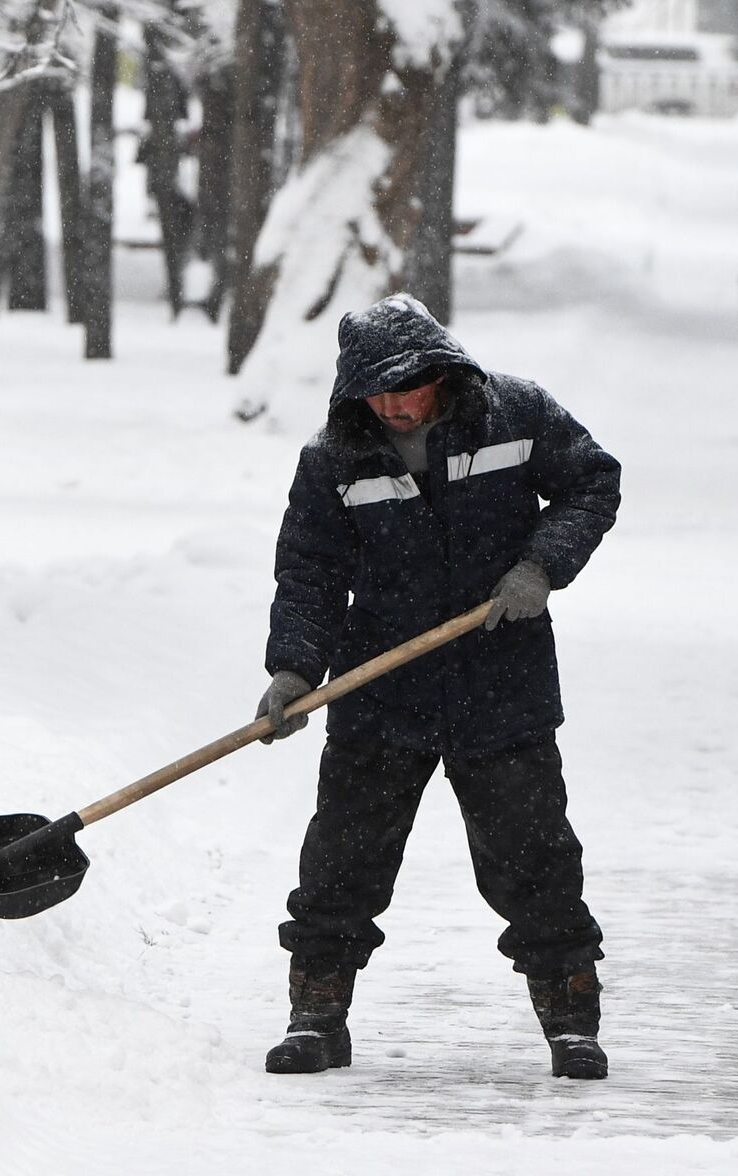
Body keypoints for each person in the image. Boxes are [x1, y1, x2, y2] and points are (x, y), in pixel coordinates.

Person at [254, 294, 621, 1081]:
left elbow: (592, 482)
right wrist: (293, 667)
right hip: (381, 686)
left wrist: (541, 567)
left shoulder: (513, 414)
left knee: (534, 854)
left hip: (501, 678)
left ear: (441, 372)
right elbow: (310, 571)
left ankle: (571, 1019)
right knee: (342, 861)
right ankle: (317, 1014)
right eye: (377, 392)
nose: (394, 405)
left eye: (407, 387)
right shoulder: (336, 457)